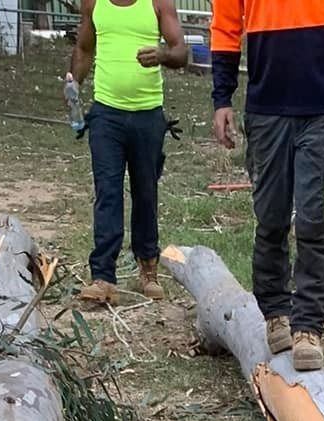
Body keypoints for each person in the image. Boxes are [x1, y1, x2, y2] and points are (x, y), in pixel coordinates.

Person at [198, 0, 324, 371]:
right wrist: (222, 98)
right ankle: (276, 313)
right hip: (267, 111)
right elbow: (226, 26)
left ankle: (308, 326)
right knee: (271, 218)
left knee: (318, 220)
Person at [69, 0, 187, 307]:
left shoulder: (159, 3)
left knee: (145, 192)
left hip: (148, 116)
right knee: (107, 190)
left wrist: (162, 55)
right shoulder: (93, 3)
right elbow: (84, 48)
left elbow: (180, 51)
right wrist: (73, 85)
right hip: (106, 115)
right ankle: (103, 276)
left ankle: (148, 267)